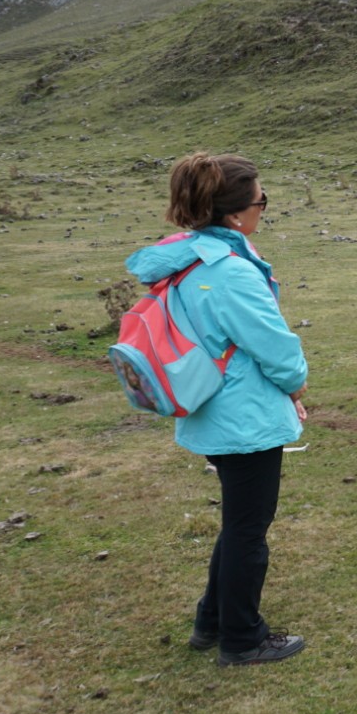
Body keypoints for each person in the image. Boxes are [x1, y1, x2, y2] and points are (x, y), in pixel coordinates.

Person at [126, 152, 309, 666]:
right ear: (235, 214)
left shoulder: (187, 261)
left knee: (238, 523)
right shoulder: (230, 273)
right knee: (249, 531)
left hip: (213, 409)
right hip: (245, 417)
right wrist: (296, 386)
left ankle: (211, 620)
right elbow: (276, 349)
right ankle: (243, 638)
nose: (263, 208)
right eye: (262, 201)